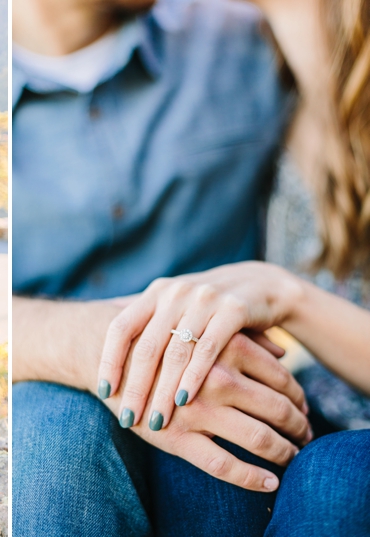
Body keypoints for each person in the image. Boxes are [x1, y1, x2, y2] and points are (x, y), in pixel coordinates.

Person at [11, 0, 311, 535]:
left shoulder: (254, 38)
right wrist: (88, 341)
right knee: (51, 440)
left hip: (230, 380)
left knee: (221, 443)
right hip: (49, 392)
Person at [95, 0, 370, 534]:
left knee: (333, 476)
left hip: (344, 439)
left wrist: (288, 296)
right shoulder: (262, 85)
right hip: (324, 398)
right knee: (202, 428)